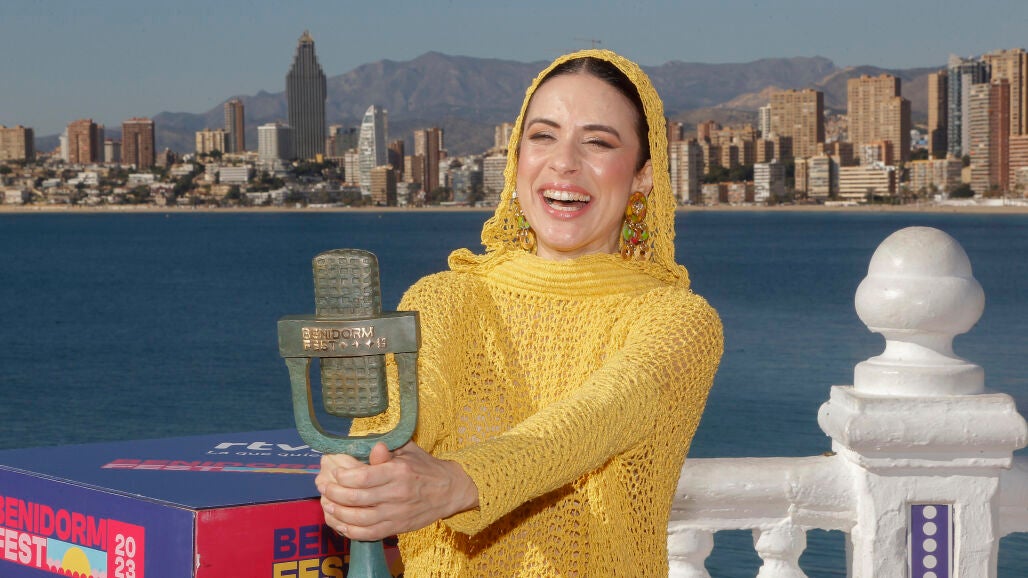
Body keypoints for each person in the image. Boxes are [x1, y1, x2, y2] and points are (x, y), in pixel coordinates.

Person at [316, 49, 724, 577]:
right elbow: (407, 408)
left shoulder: (678, 321)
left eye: (598, 142)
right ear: (516, 158)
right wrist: (363, 473)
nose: (564, 162)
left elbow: (597, 418)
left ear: (643, 176)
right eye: (542, 136)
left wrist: (459, 483)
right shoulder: (446, 297)